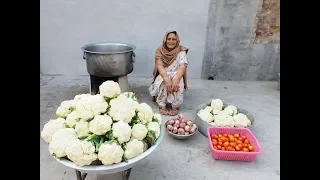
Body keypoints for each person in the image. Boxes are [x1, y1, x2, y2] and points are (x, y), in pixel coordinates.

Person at [149, 30, 189, 116]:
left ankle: (175, 105)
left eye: (174, 39)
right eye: (169, 39)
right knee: (162, 80)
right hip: (164, 74)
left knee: (178, 80)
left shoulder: (181, 51)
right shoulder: (160, 50)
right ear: (165, 40)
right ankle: (161, 104)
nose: (171, 41)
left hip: (176, 74)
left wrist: (177, 80)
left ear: (177, 40)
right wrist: (166, 79)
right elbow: (159, 66)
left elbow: (182, 66)